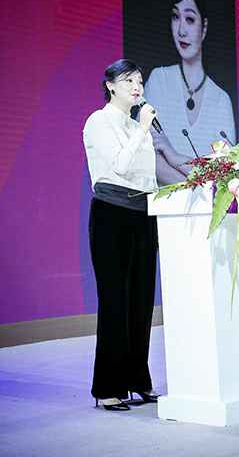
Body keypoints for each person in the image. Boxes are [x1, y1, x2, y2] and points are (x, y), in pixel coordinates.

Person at [82, 59, 161, 411]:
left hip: (143, 215)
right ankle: (108, 387)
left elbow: (147, 177)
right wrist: (142, 130)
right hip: (111, 215)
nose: (137, 86)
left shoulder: (136, 125)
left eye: (139, 80)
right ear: (110, 85)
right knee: (115, 301)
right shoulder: (99, 122)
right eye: (129, 80)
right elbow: (119, 166)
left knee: (141, 302)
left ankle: (137, 379)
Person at [144, 0, 236, 185]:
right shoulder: (159, 80)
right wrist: (196, 190)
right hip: (161, 203)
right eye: (175, 17)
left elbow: (225, 171)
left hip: (206, 204)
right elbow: (148, 157)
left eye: (190, 19)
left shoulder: (221, 100)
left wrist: (174, 156)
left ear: (204, 27)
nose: (181, 30)